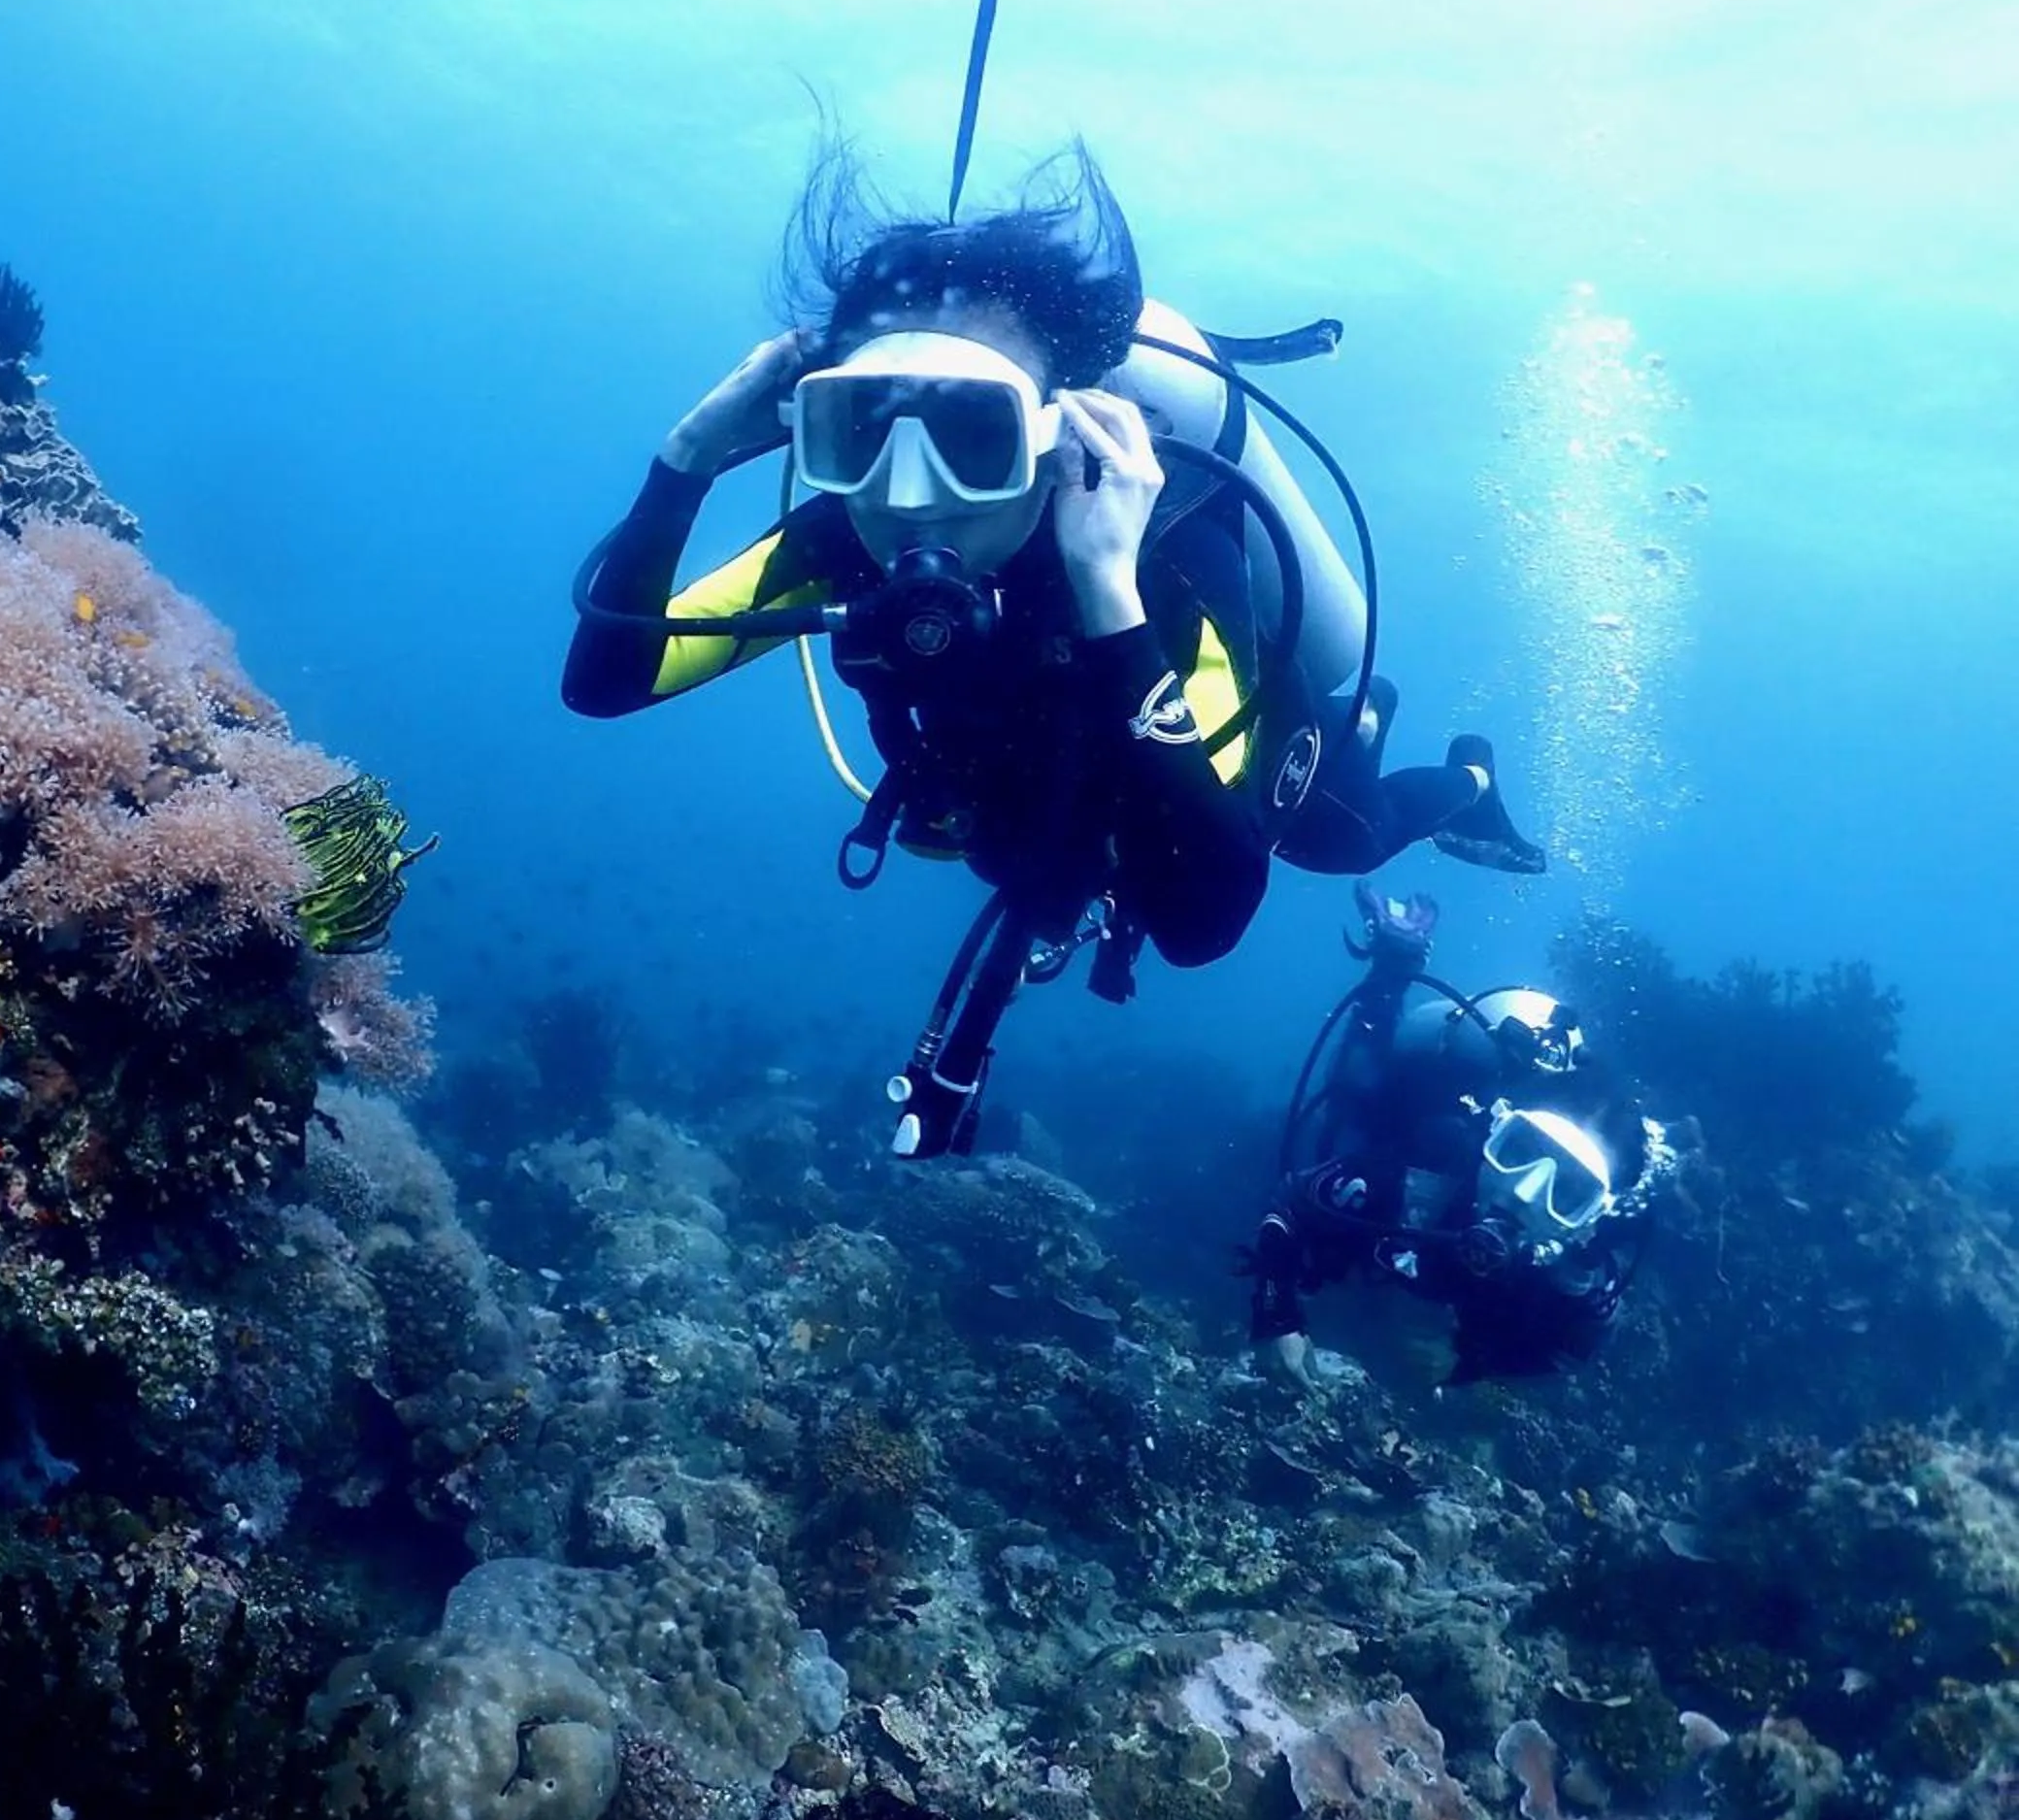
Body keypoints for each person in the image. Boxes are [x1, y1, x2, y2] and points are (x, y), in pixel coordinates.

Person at [563, 144, 1546, 1156]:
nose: (910, 494)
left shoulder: (1164, 564)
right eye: (863, 431)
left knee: (1343, 836)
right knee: (1025, 865)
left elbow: (1202, 922)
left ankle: (1458, 774)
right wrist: (688, 457)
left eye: (973, 436)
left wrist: (1108, 594)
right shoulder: (838, 542)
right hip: (1041, 819)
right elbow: (607, 679)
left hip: (1222, 780)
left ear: (1055, 432)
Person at [1244, 884, 1682, 1384]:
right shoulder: (1424, 1170)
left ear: (1592, 1217)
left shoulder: (1580, 1274)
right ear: (1495, 1131)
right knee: (1359, 1094)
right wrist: (1275, 1316)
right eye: (1519, 1150)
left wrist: (1470, 1360)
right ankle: (1392, 970)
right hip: (1418, 1112)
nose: (1524, 1192)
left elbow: (1563, 1351)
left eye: (1569, 1191)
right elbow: (1292, 1202)